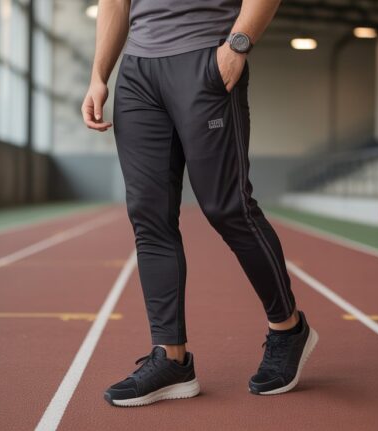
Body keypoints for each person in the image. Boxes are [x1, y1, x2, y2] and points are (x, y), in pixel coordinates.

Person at [81, 0, 318, 407]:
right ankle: (171, 358)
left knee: (228, 208)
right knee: (149, 217)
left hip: (206, 57)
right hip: (138, 72)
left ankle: (288, 328)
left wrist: (236, 47)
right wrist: (99, 74)